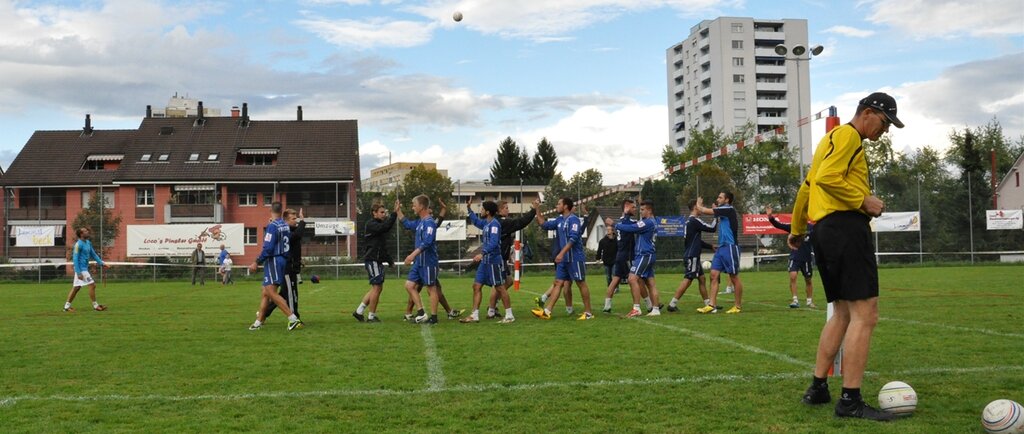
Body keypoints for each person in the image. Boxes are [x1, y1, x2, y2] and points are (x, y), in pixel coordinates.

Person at [792, 92, 902, 421]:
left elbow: (808, 187)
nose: (885, 131)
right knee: (865, 315)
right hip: (846, 229)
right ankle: (850, 401)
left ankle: (818, 387)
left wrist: (796, 230)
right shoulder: (849, 136)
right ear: (868, 113)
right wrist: (863, 200)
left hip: (824, 231)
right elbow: (826, 180)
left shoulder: (829, 140)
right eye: (884, 123)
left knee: (841, 313)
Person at [532, 197, 594, 320]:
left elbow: (573, 238)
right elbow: (543, 224)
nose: (557, 205)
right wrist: (537, 209)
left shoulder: (574, 220)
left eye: (559, 203)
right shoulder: (559, 220)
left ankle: (588, 313)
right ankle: (547, 311)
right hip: (564, 260)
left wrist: (561, 253)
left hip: (575, 258)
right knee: (558, 283)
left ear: (565, 206)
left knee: (580, 283)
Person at [248, 202, 303, 331]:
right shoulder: (284, 225)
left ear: (270, 210)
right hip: (283, 259)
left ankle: (292, 318)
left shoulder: (272, 226)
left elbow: (268, 248)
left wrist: (257, 261)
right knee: (266, 293)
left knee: (271, 293)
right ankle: (258, 322)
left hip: (273, 260)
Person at [482, 198, 537, 319]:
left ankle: (492, 308)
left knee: (507, 282)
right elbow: (520, 222)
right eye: (506, 208)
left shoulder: (495, 222)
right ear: (499, 210)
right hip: (498, 258)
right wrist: (533, 210)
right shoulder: (501, 223)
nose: (508, 210)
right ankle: (493, 310)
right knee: (499, 285)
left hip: (499, 258)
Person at [461, 200, 515, 323]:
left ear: (488, 212)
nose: (481, 211)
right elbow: (475, 221)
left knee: (500, 287)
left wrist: (482, 253)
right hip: (485, 262)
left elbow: (494, 243)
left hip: (494, 261)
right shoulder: (486, 223)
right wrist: (469, 209)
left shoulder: (495, 225)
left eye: (482, 209)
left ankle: (509, 315)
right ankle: (474, 315)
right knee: (476, 286)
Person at [696, 191, 745, 314]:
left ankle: (737, 306)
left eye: (720, 197)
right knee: (713, 275)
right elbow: (715, 214)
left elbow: (705, 211)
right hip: (721, 247)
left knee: (733, 276)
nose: (717, 199)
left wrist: (699, 205)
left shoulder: (728, 209)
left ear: (727, 200)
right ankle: (711, 305)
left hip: (730, 247)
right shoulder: (722, 210)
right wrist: (715, 211)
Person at [602, 199, 655, 313]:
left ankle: (607, 305)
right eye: (633, 207)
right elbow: (633, 227)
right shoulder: (627, 222)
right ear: (626, 207)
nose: (636, 210)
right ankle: (647, 305)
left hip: (620, 254)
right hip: (628, 256)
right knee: (636, 279)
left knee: (615, 280)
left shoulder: (620, 221)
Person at [616, 200, 662, 318]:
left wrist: (615, 224)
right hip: (648, 254)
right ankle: (655, 309)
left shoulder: (648, 222)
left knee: (632, 279)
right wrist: (626, 215)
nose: (640, 212)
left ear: (649, 210)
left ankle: (636, 308)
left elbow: (631, 228)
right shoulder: (652, 222)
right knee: (650, 283)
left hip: (644, 254)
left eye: (642, 210)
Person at [668, 200, 717, 312]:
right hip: (692, 256)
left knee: (702, 279)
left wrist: (710, 246)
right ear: (696, 207)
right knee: (689, 279)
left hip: (692, 255)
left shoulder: (689, 221)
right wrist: (717, 215)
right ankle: (672, 304)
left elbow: (696, 241)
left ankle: (709, 304)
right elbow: (712, 228)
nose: (703, 207)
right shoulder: (695, 221)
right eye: (701, 205)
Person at [354, 201, 399, 322]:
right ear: (374, 213)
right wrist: (394, 213)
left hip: (377, 261)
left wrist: (390, 261)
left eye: (385, 212)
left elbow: (382, 248)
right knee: (377, 288)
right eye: (381, 212)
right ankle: (371, 316)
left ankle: (359, 311)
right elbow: (385, 227)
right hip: (372, 260)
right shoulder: (371, 224)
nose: (384, 214)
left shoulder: (379, 226)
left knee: (377, 288)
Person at [401, 195, 441, 324]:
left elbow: (427, 242)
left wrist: (412, 255)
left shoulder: (429, 222)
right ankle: (421, 313)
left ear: (422, 206)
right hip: (419, 262)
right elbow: (407, 224)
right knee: (409, 285)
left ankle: (433, 318)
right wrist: (397, 212)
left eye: (414, 205)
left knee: (431, 288)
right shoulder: (420, 222)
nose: (412, 207)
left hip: (428, 262)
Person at [766, 205, 815, 308]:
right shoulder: (794, 227)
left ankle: (809, 301)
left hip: (806, 258)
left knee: (808, 279)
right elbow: (778, 225)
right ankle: (795, 300)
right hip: (795, 257)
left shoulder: (811, 228)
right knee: (793, 276)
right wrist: (770, 216)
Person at [261, 208, 305, 321]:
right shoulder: (286, 232)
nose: (296, 220)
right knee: (289, 294)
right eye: (293, 218)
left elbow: (295, 246)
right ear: (286, 220)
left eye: (296, 218)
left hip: (292, 267)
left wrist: (299, 260)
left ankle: (264, 313)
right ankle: (295, 318)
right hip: (287, 267)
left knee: (283, 294)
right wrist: (303, 221)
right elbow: (298, 234)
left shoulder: (291, 230)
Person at [63, 227, 109, 312]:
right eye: (85, 231)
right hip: (81, 269)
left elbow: (93, 254)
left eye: (87, 230)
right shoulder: (78, 244)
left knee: (76, 288)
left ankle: (66, 307)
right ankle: (96, 306)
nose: (87, 232)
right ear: (81, 234)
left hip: (84, 269)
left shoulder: (88, 243)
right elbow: (75, 259)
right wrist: (78, 272)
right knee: (92, 285)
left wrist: (102, 263)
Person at [596, 218, 617, 288]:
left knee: (614, 275)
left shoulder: (617, 240)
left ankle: (615, 288)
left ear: (612, 231)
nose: (607, 231)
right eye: (606, 230)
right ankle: (610, 287)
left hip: (615, 260)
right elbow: (599, 250)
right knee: (608, 276)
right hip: (606, 261)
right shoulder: (602, 241)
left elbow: (620, 249)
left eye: (609, 230)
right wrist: (598, 258)